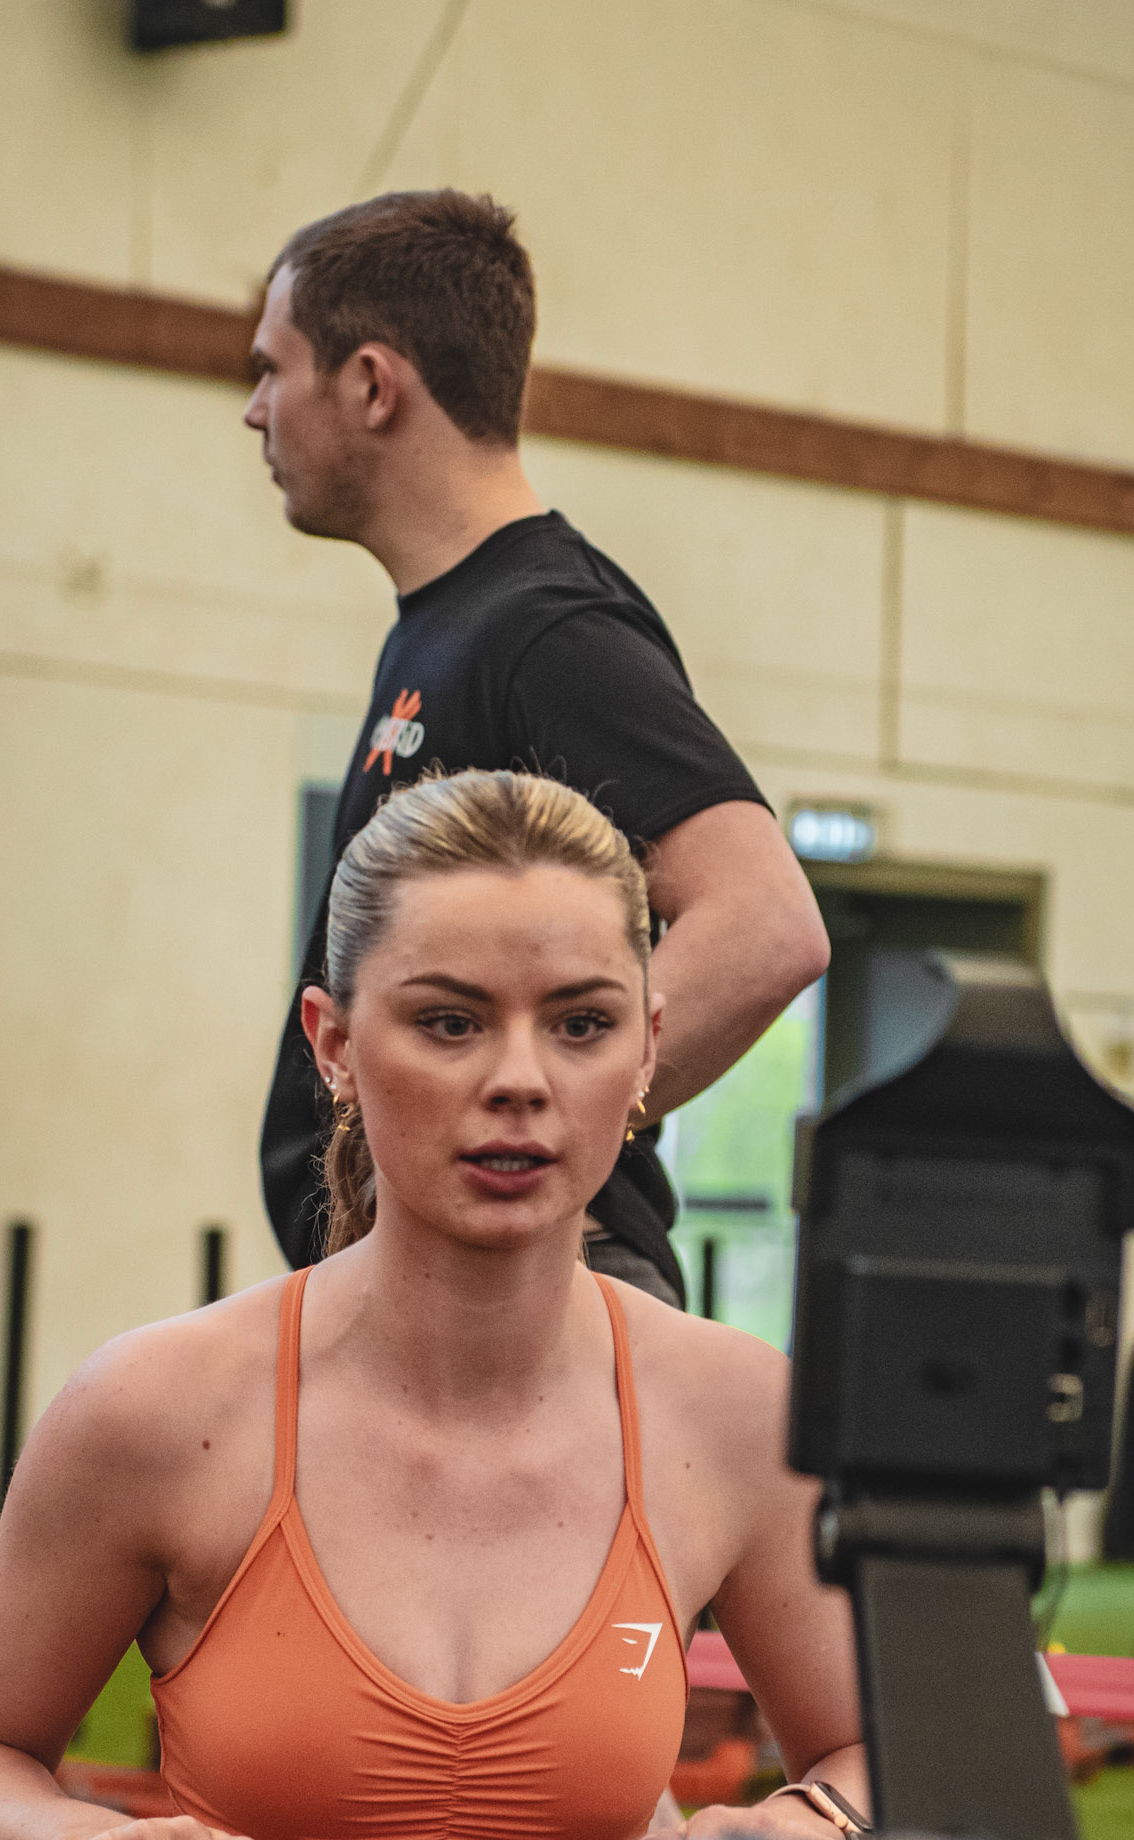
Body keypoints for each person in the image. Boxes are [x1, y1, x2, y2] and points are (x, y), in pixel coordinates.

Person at [0, 769, 864, 1840]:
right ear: (335, 1043)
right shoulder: (158, 1408)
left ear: (647, 1046)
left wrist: (815, 1822)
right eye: (450, 1022)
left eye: (581, 1023)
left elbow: (884, 1757)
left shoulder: (735, 1412)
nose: (519, 1079)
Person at [253, 190, 830, 1305]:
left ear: (371, 385)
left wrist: (529, 1142)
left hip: (550, 1285)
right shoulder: (447, 624)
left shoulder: (547, 628)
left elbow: (766, 926)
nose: (253, 409)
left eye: (273, 369)